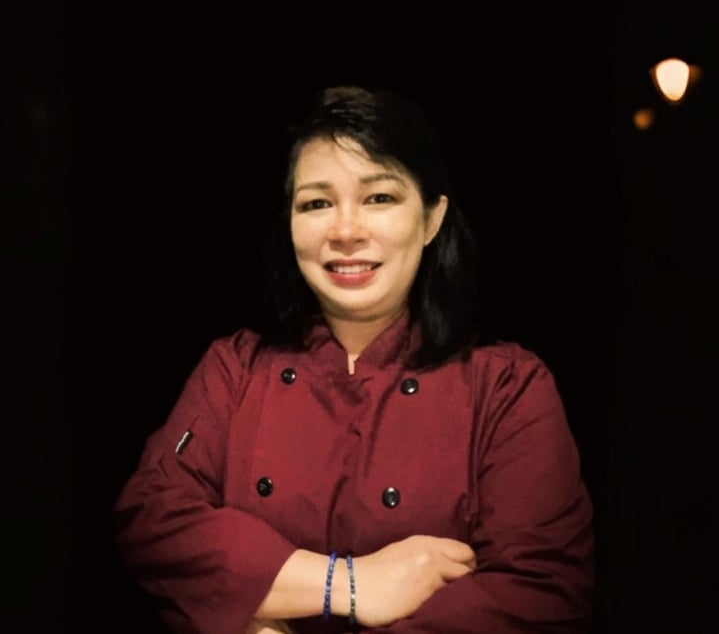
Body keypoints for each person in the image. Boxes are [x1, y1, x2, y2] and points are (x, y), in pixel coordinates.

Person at [113, 85, 594, 634]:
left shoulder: (506, 385)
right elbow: (152, 516)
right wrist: (347, 584)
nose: (345, 232)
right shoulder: (236, 368)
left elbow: (540, 589)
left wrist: (262, 606)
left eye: (379, 198)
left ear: (432, 219)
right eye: (316, 203)